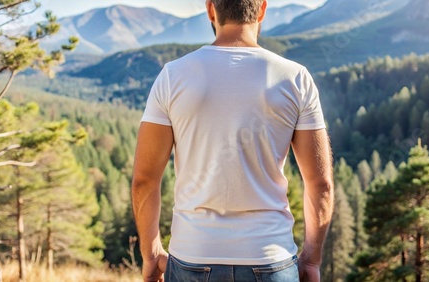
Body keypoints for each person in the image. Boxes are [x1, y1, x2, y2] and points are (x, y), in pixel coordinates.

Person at [131, 0, 334, 281]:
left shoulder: (172, 76)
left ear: (211, 9)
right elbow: (320, 184)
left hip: (193, 256)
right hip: (270, 258)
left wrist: (151, 253)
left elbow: (145, 180)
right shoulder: (295, 78)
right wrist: (311, 261)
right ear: (262, 9)